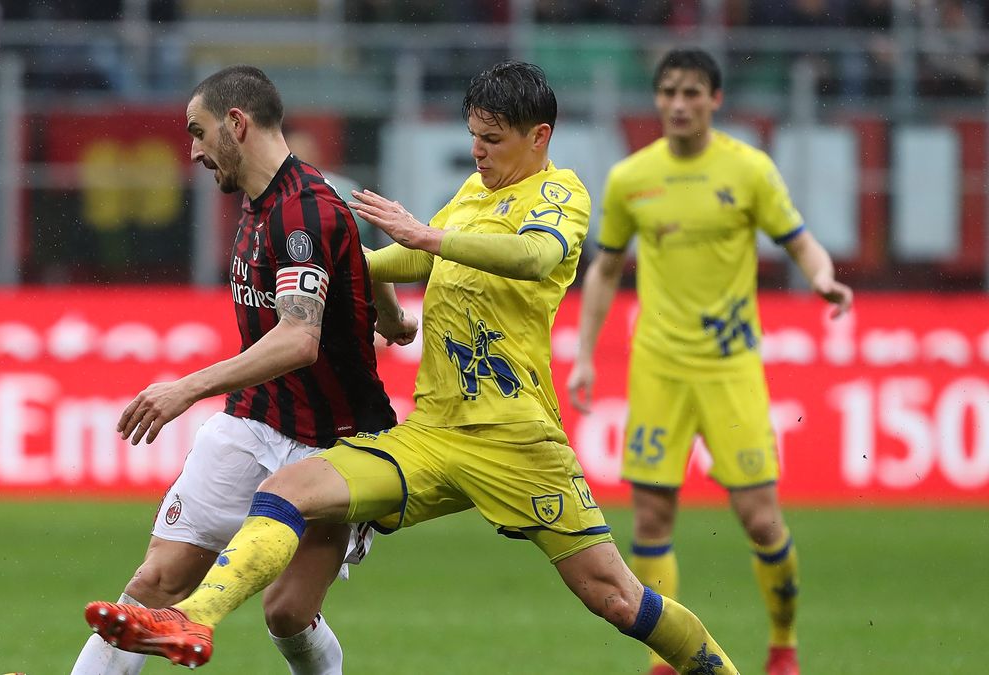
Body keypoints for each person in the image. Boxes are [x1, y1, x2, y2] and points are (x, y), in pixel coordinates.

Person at [82, 60, 738, 675]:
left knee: (616, 599)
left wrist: (427, 235)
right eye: (473, 135)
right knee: (289, 491)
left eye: (493, 138)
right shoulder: (472, 195)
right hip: (434, 431)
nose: (477, 150)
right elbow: (410, 263)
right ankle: (191, 620)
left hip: (515, 439)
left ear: (540, 137)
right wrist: (336, 270)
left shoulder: (558, 192)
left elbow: (537, 258)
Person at [70, 65, 409, 675]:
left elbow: (299, 339)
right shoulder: (263, 201)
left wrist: (186, 388)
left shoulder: (303, 210)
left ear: (237, 123)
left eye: (198, 132)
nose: (193, 150)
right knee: (156, 580)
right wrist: (390, 315)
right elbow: (356, 252)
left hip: (336, 444)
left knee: (286, 612)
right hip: (253, 421)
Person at [566, 48, 853, 675]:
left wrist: (824, 278)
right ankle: (665, 661)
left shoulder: (748, 171)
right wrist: (585, 356)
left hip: (730, 368)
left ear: (715, 100)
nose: (677, 103)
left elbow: (800, 242)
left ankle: (783, 644)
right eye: (668, 91)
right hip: (658, 367)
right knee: (650, 516)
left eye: (692, 92)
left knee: (759, 518)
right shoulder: (631, 178)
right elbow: (606, 269)